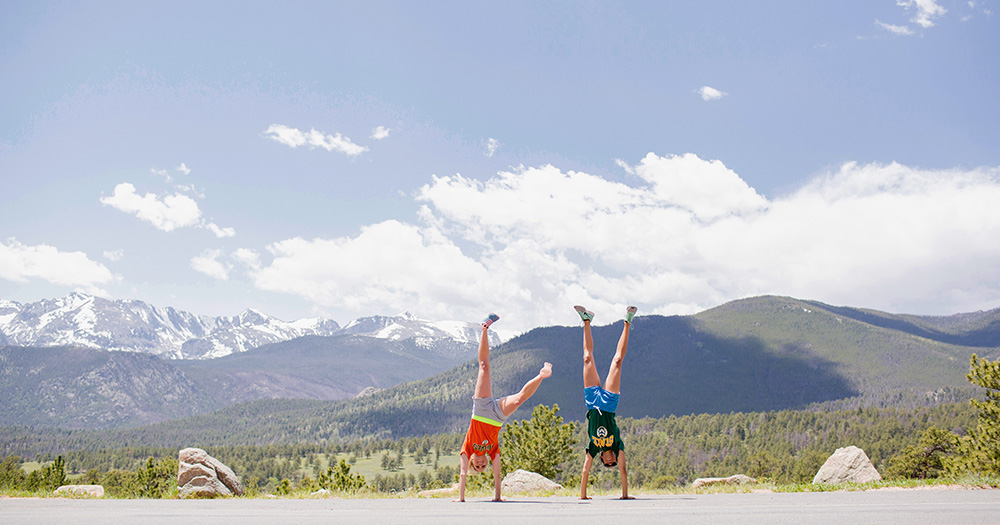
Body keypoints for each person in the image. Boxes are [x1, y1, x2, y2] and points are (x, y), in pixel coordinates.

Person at [456, 313, 553, 502]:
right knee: (518, 400)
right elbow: (498, 475)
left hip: (482, 409)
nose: (482, 464)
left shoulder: (467, 449)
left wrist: (461, 499)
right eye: (483, 467)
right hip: (497, 417)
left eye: (478, 465)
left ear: (472, 462)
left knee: (484, 366)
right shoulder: (493, 452)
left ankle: (484, 328)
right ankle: (541, 375)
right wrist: (498, 497)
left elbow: (462, 474)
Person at [576, 304, 637, 500]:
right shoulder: (617, 444)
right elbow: (624, 470)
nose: (610, 462)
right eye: (613, 463)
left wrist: (583, 496)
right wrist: (625, 495)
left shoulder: (594, 447)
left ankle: (586, 320)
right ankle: (627, 322)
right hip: (609, 403)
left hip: (592, 402)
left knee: (587, 358)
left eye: (607, 463)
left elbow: (585, 470)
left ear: (602, 458)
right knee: (617, 360)